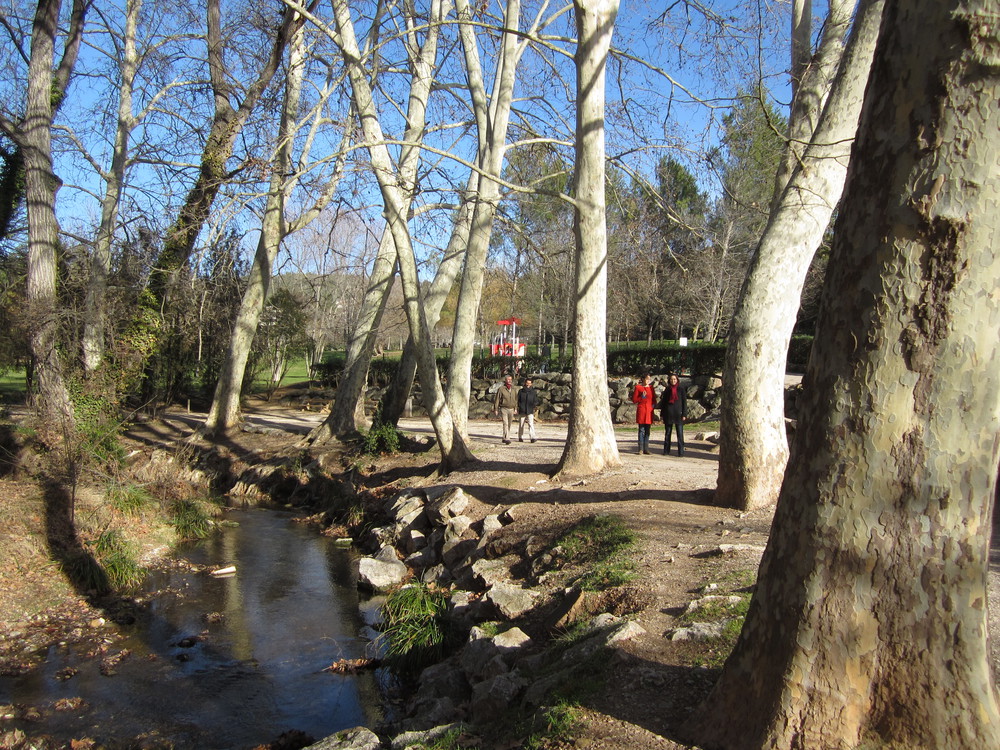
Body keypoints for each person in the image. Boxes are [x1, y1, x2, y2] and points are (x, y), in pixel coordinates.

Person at [659, 372, 686, 456]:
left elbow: (684, 402)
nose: (673, 381)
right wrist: (662, 414)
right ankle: (666, 451)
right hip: (669, 413)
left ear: (677, 380)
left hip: (678, 414)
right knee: (668, 433)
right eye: (671, 379)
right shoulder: (667, 389)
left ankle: (681, 452)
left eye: (674, 379)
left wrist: (684, 414)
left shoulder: (681, 389)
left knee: (680, 434)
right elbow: (663, 402)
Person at [631, 372, 655, 454]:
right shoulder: (638, 388)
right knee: (641, 430)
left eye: (649, 379)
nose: (648, 380)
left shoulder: (651, 388)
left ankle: (646, 448)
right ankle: (640, 448)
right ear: (643, 379)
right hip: (642, 411)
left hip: (649, 411)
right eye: (647, 379)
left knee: (647, 430)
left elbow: (654, 400)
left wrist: (652, 407)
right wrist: (641, 397)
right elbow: (634, 400)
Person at [493, 374, 518, 444]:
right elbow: (497, 399)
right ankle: (507, 438)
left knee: (509, 424)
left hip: (511, 409)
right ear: (505, 380)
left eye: (511, 379)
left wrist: (515, 408)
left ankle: (504, 437)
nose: (510, 381)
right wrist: (496, 409)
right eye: (508, 379)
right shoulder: (501, 389)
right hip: (504, 408)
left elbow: (516, 399)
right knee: (505, 423)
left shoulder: (514, 389)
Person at [517, 377, 539, 443]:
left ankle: (532, 437)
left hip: (530, 410)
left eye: (529, 383)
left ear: (531, 384)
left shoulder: (533, 392)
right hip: (522, 409)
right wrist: (519, 407)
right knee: (521, 424)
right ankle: (520, 436)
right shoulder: (520, 391)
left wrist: (534, 406)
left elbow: (536, 400)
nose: (528, 384)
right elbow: (518, 400)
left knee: (531, 424)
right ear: (525, 383)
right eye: (527, 383)